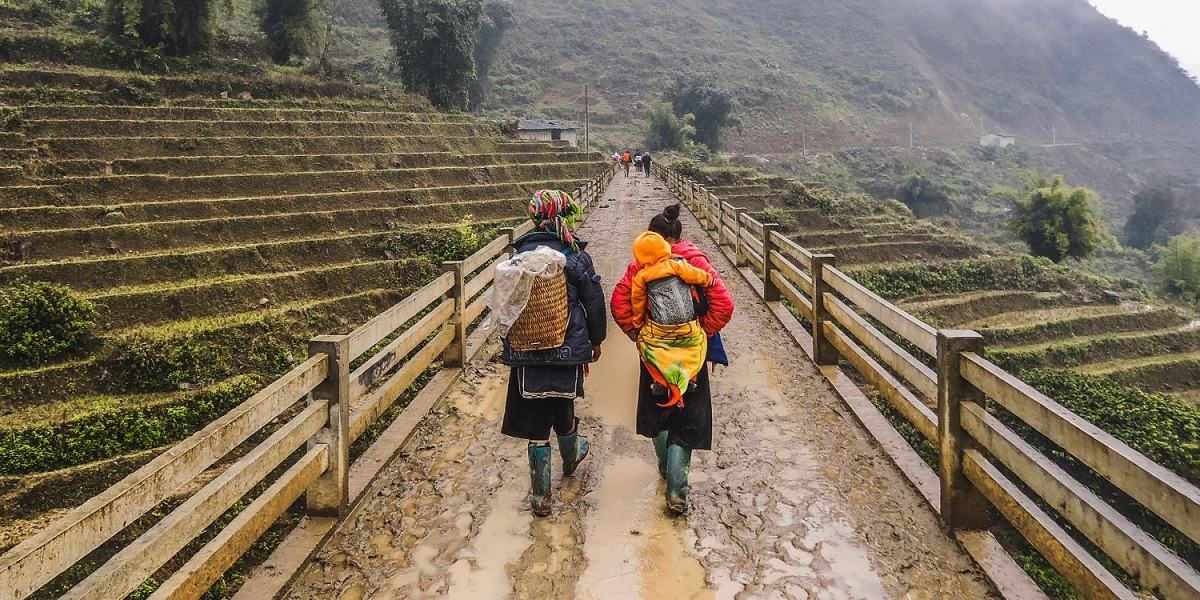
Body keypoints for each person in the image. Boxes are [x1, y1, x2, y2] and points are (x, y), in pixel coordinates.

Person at [611, 204, 734, 514]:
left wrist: (638, 336)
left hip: (654, 354)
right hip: (692, 355)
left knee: (658, 411)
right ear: (679, 234)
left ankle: (666, 470)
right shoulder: (696, 263)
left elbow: (619, 304)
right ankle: (677, 491)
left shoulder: (640, 267)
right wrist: (701, 332)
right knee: (689, 416)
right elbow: (725, 304)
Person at [501, 189, 607, 517]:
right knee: (563, 407)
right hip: (565, 350)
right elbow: (593, 301)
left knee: (535, 423)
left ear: (535, 217)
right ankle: (572, 457)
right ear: (564, 216)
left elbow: (507, 305)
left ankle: (541, 499)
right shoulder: (574, 256)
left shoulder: (518, 255)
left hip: (525, 351)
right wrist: (596, 339)